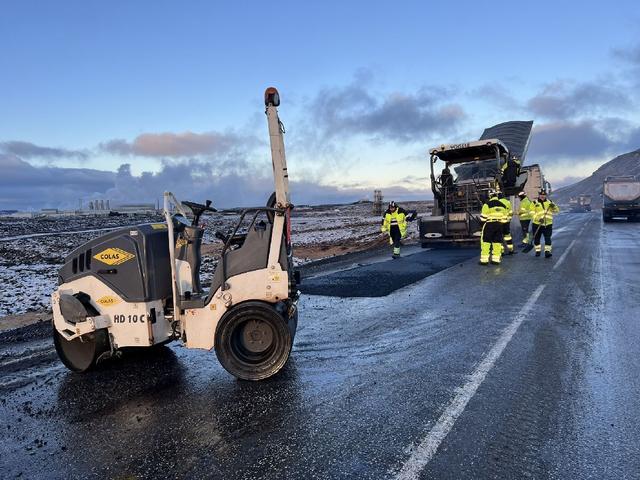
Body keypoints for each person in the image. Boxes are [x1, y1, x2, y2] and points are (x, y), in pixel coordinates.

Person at [479, 189, 509, 265]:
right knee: (497, 242)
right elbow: (505, 219)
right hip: (499, 225)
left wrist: (481, 225)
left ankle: (484, 260)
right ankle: (496, 260)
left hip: (489, 225)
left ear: (490, 196)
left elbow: (483, 218)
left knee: (486, 242)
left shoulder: (487, 204)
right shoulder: (503, 205)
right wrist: (504, 229)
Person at [531, 189, 560, 258]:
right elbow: (532, 213)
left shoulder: (550, 202)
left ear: (546, 195)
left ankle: (547, 251)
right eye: (541, 195)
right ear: (539, 195)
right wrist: (538, 219)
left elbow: (557, 211)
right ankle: (538, 251)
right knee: (537, 238)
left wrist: (554, 206)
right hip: (537, 224)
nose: (542, 196)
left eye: (544, 195)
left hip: (548, 224)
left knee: (548, 238)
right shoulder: (534, 203)